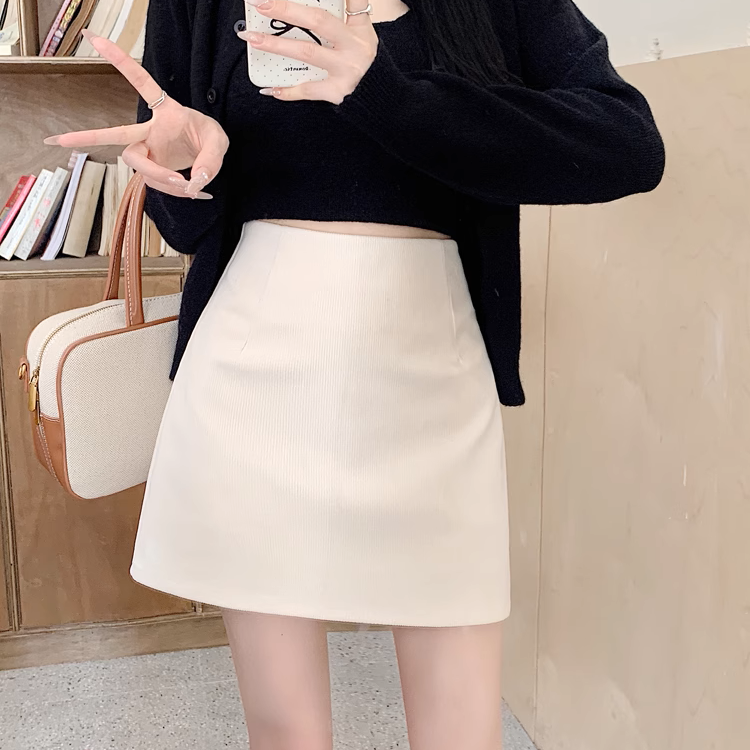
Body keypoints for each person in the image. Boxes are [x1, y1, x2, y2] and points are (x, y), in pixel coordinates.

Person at [44, 0, 665, 747]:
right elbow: (185, 220)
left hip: (431, 379)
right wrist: (184, 164)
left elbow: (627, 144)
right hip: (250, 374)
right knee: (286, 732)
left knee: (461, 730)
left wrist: (388, 93)